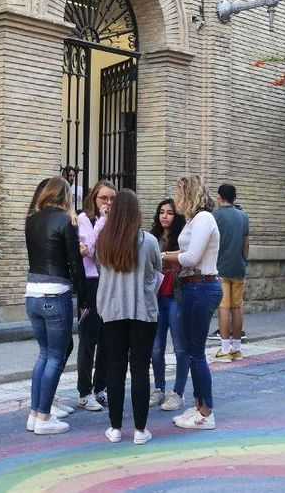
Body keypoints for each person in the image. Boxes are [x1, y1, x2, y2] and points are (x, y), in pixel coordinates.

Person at [96, 188, 162, 444]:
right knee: (140, 370)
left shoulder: (104, 240)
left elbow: (100, 268)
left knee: (115, 369)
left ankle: (114, 428)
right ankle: (140, 430)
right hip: (143, 311)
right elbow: (156, 270)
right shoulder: (149, 241)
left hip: (112, 311)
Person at [23, 177, 86, 435]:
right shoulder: (65, 221)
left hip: (32, 292)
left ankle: (35, 414)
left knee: (44, 354)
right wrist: (85, 299)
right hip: (56, 292)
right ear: (65, 196)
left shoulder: (31, 219)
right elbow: (75, 263)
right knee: (56, 356)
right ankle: (44, 417)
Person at [161, 176, 221, 430]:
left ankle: (206, 412)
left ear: (189, 194)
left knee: (196, 352)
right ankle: (198, 405)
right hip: (192, 286)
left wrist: (164, 256)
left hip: (201, 286)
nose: (176, 198)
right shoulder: (194, 220)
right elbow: (187, 255)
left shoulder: (204, 218)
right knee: (191, 350)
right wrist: (169, 256)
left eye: (179, 193)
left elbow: (192, 257)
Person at [75, 180, 115, 412]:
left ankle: (101, 387)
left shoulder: (114, 221)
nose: (108, 203)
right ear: (94, 199)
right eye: (103, 198)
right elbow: (88, 250)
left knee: (107, 338)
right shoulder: (84, 219)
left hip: (109, 282)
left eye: (112, 199)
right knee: (88, 339)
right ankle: (84, 391)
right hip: (90, 284)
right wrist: (102, 221)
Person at [149, 198, 188, 412]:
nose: (164, 216)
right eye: (162, 212)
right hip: (156, 297)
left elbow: (187, 259)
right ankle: (159, 389)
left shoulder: (183, 238)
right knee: (156, 348)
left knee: (180, 346)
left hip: (176, 296)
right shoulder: (152, 237)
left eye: (170, 212)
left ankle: (178, 392)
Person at [212, 184, 250, 363]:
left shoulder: (215, 215)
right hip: (239, 267)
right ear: (234, 198)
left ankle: (225, 349)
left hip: (221, 268)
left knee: (224, 308)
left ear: (219, 197)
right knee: (237, 307)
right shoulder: (243, 216)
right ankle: (237, 349)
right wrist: (244, 261)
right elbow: (246, 243)